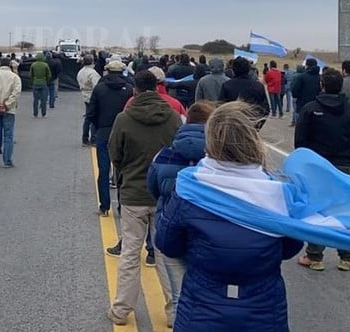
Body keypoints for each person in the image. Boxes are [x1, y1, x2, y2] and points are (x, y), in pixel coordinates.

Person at [156, 101, 303, 331]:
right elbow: (291, 247)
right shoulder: (278, 193)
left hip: (201, 312)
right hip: (263, 314)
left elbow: (167, 244)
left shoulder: (190, 188)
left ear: (211, 141)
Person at [106, 71, 180, 328]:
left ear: (135, 90)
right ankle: (173, 311)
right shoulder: (172, 118)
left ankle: (121, 309)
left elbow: (115, 152)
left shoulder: (124, 119)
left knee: (129, 253)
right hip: (163, 194)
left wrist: (125, 172)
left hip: (133, 193)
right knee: (165, 254)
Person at [147, 101, 216, 308]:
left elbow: (153, 187)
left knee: (179, 297)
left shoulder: (165, 154)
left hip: (171, 227)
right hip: (208, 232)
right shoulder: (220, 156)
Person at [294, 68, 350, 271]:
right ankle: (346, 256)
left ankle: (314, 255)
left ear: (322, 85)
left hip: (317, 166)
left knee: (318, 210)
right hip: (343, 165)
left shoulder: (310, 109)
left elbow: (300, 141)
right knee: (343, 210)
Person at [87, 60, 133, 217]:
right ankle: (122, 206)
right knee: (123, 171)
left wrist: (98, 126)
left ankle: (104, 206)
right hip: (124, 133)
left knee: (104, 170)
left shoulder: (100, 88)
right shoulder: (129, 89)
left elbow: (91, 112)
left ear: (108, 71)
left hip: (104, 132)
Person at [219, 57, 270, 122]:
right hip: (251, 123)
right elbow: (265, 110)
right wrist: (257, 125)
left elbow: (220, 107)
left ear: (233, 70)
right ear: (248, 69)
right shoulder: (258, 86)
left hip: (231, 124)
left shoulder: (226, 85)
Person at [77, 54, 101, 147]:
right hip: (92, 97)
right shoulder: (92, 73)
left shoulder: (80, 72)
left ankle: (85, 139)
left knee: (88, 118)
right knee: (93, 119)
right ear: (92, 61)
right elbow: (97, 86)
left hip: (85, 95)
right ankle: (93, 139)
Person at [290, 58, 321, 125]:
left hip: (302, 106)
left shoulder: (301, 77)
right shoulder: (320, 78)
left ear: (307, 66)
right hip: (317, 107)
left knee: (301, 129)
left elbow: (294, 92)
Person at [29, 52, 51, 118]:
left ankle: (35, 114)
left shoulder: (33, 65)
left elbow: (30, 75)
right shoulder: (45, 65)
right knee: (43, 100)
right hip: (43, 83)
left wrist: (33, 81)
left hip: (35, 83)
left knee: (35, 100)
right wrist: (46, 80)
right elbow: (49, 75)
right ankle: (43, 114)